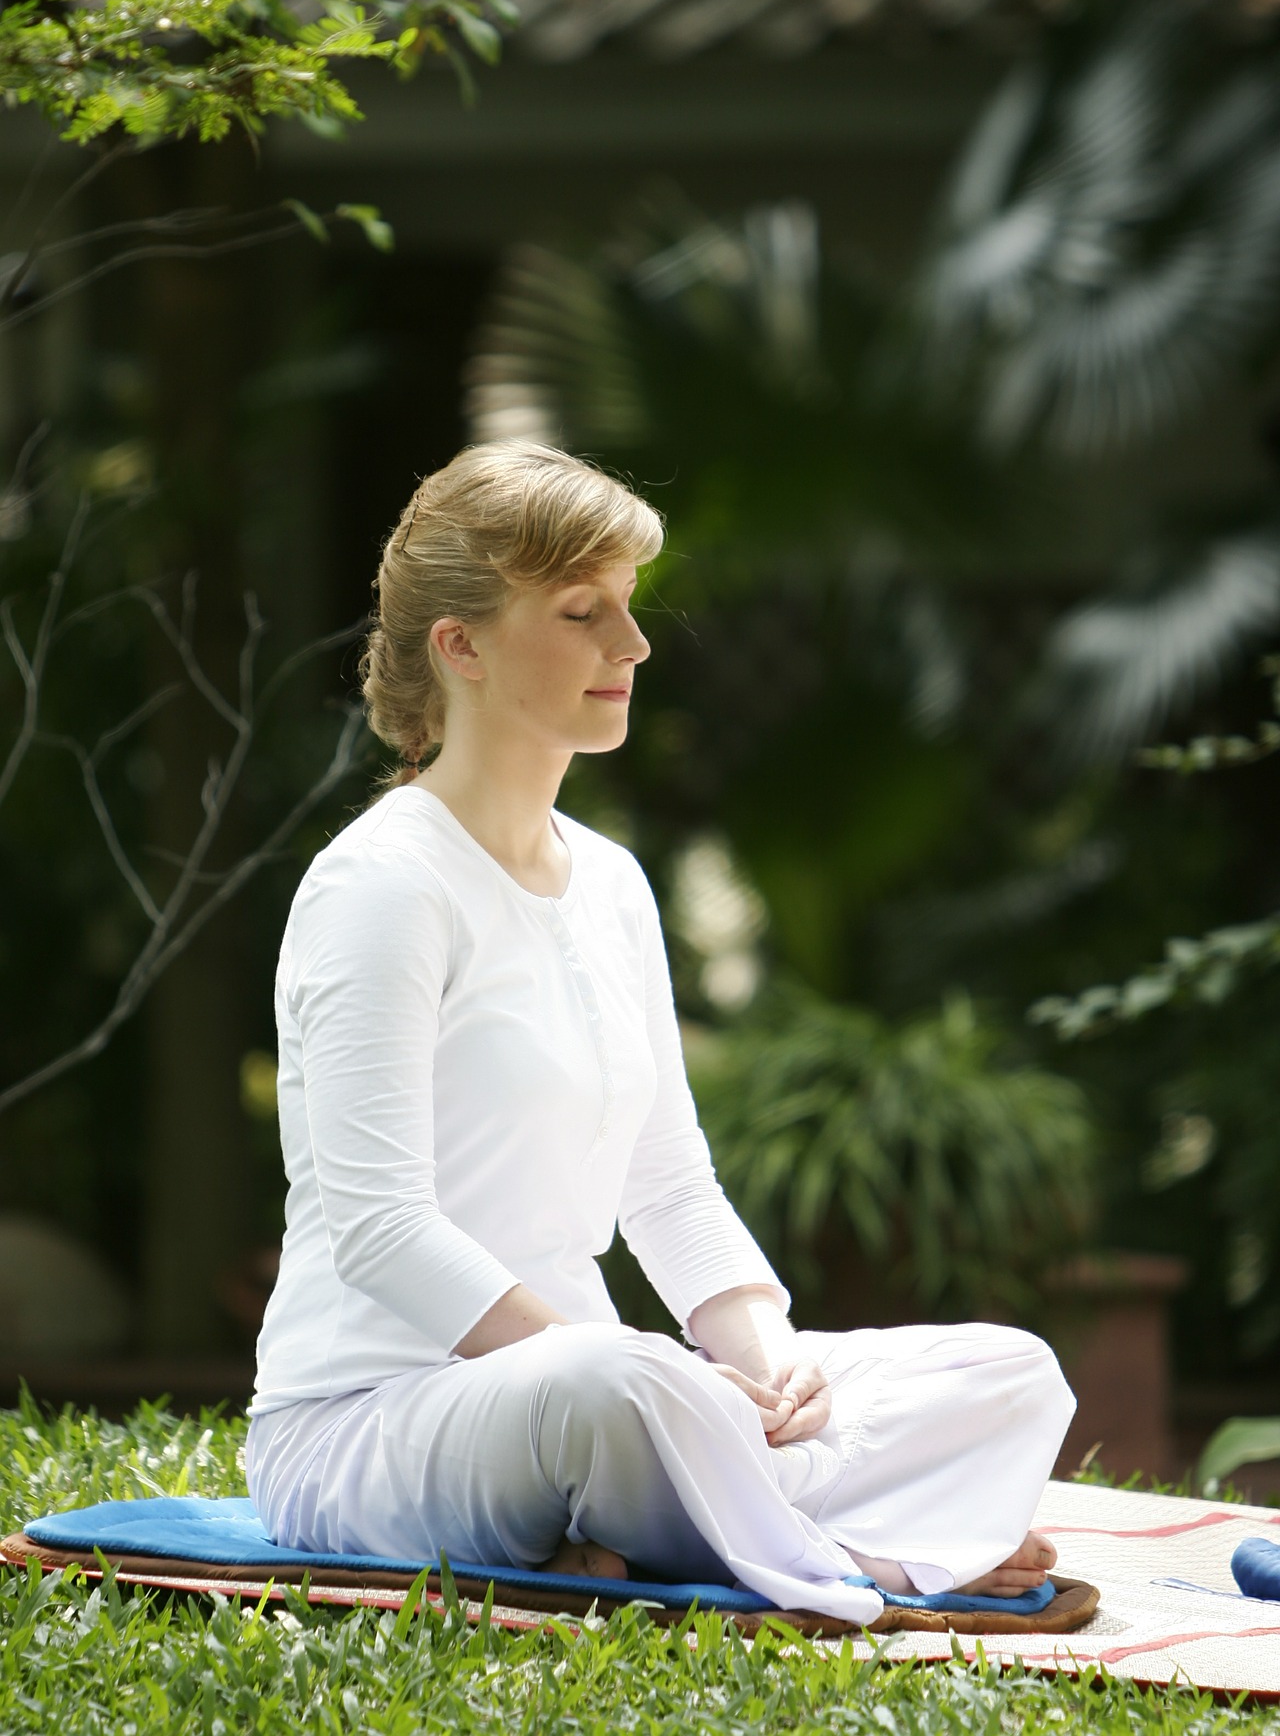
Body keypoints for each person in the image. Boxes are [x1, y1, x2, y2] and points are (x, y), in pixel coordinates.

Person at [245, 441, 1076, 1627]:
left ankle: (710, 1516)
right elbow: (379, 1230)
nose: (631, 648)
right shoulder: (380, 885)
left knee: (1005, 1372)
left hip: (601, 1398)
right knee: (616, 1379)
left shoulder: (613, 884)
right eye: (582, 613)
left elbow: (668, 1181)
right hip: (377, 1425)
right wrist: (665, 1382)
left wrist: (762, 1361)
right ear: (460, 646)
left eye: (626, 610)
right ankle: (870, 1559)